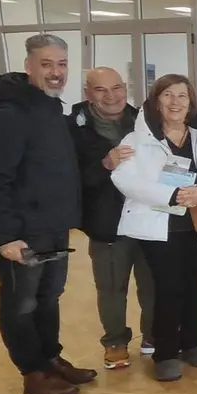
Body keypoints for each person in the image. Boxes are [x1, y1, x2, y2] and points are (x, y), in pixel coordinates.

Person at [0, 33, 96, 394]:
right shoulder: (9, 113)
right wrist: (4, 237)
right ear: (29, 65)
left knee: (49, 297)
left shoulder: (50, 109)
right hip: (22, 233)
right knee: (21, 303)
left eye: (61, 64)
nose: (55, 72)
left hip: (53, 227)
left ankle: (50, 358)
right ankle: (32, 371)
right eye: (46, 64)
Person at [112, 74, 197, 382]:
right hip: (160, 224)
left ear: (191, 103)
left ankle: (194, 342)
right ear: (156, 102)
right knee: (168, 287)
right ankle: (166, 352)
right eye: (168, 95)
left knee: (196, 284)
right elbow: (124, 179)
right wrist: (171, 195)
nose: (175, 102)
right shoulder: (136, 140)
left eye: (182, 96)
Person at [69, 68, 156, 370]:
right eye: (101, 90)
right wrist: (104, 165)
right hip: (107, 223)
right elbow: (68, 179)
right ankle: (115, 343)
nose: (111, 96)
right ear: (87, 93)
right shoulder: (71, 129)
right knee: (111, 288)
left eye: (117, 88)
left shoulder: (146, 121)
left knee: (152, 283)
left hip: (148, 218)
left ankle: (153, 335)